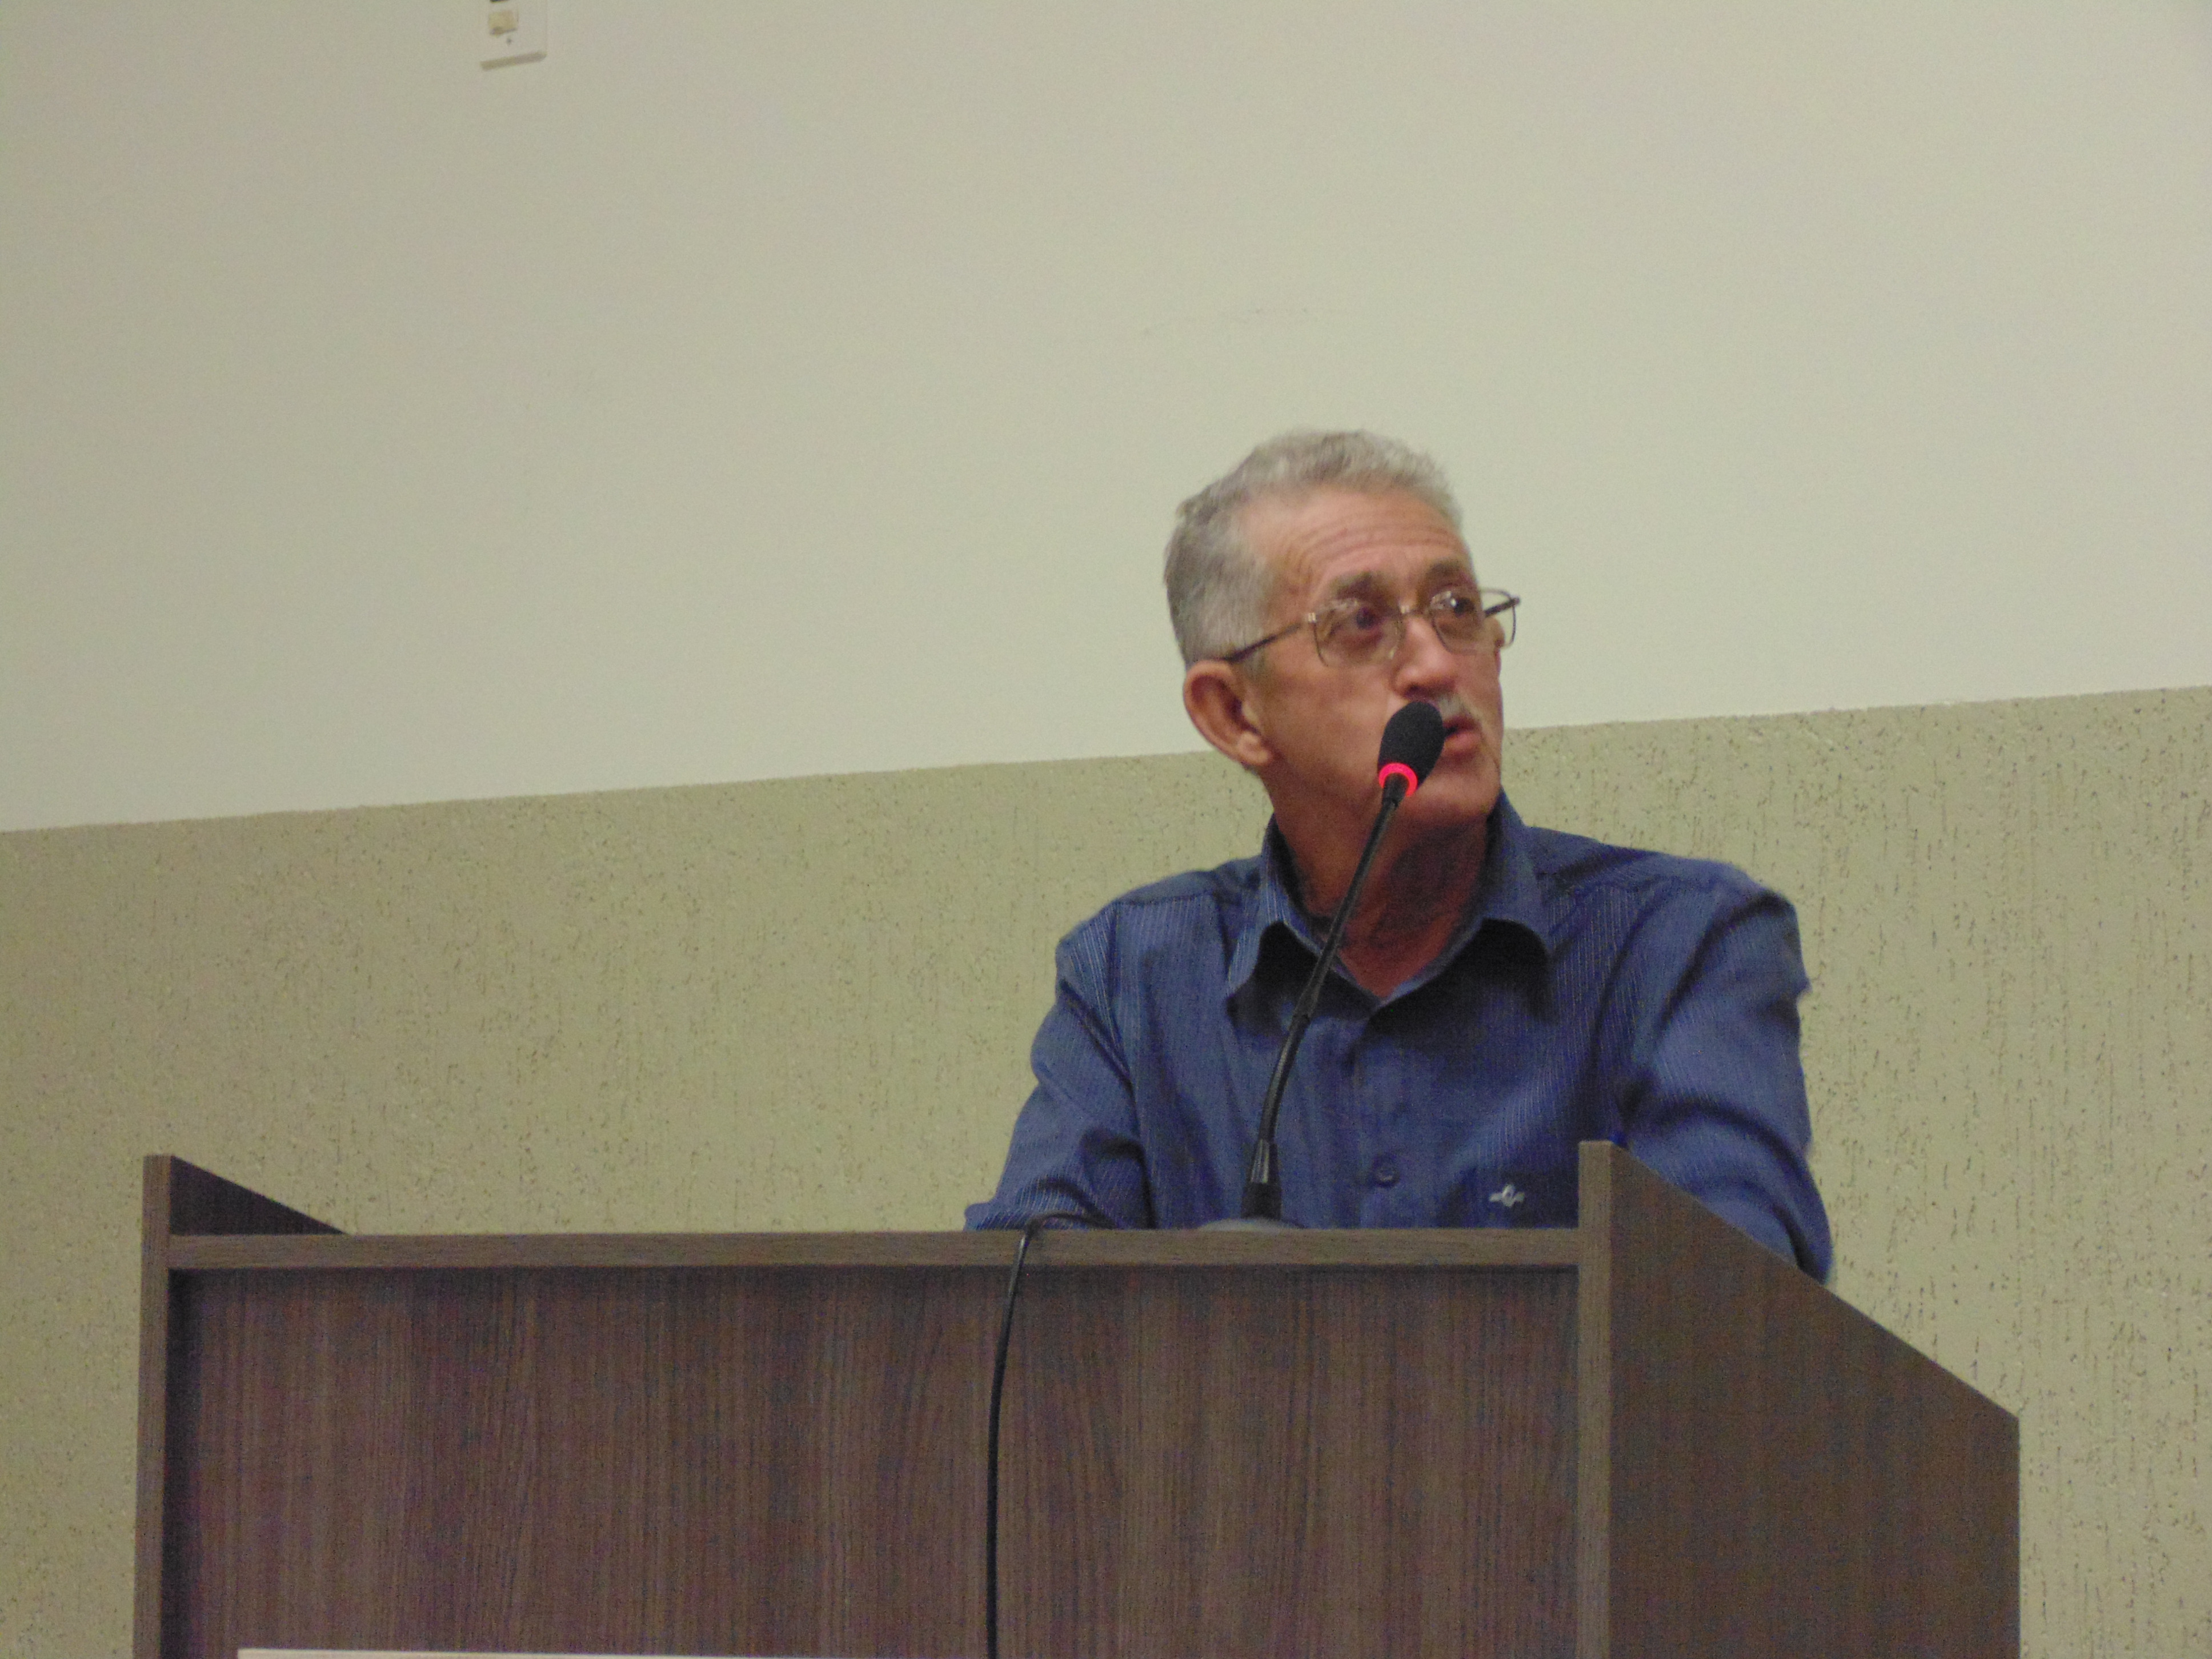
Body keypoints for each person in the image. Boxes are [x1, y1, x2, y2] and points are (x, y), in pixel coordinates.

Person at [966, 431, 1832, 1276]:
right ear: (1234, 714)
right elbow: (1016, 1316)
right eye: (1361, 623)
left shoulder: (1679, 945)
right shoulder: (1135, 976)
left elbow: (1731, 1310)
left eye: (1457, 610)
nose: (1435, 667)